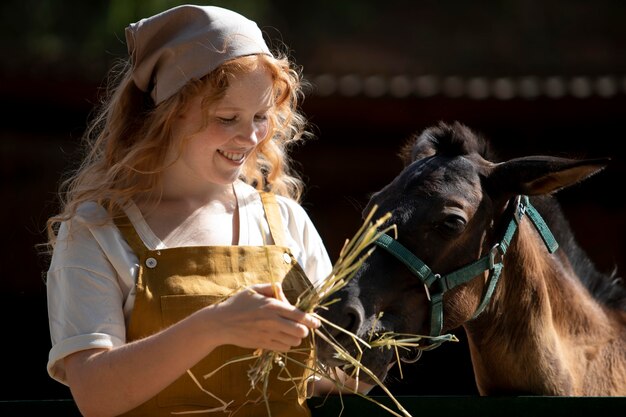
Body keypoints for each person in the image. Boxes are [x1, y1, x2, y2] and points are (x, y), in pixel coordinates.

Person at [44, 4, 371, 417]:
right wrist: (214, 325)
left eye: (260, 116)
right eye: (227, 117)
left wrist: (366, 356)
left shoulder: (285, 221)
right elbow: (95, 394)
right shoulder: (96, 229)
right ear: (166, 114)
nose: (250, 136)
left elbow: (327, 372)